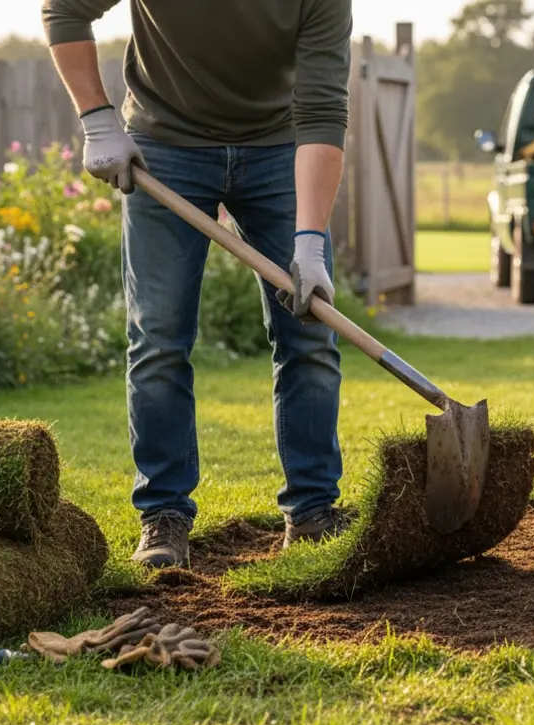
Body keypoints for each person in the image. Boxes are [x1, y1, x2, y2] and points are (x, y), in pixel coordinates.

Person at [41, 0, 354, 569]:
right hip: (167, 144)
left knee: (308, 331)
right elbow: (64, 8)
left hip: (280, 147)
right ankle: (163, 515)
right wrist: (97, 119)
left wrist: (309, 242)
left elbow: (322, 111)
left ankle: (312, 511)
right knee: (158, 336)